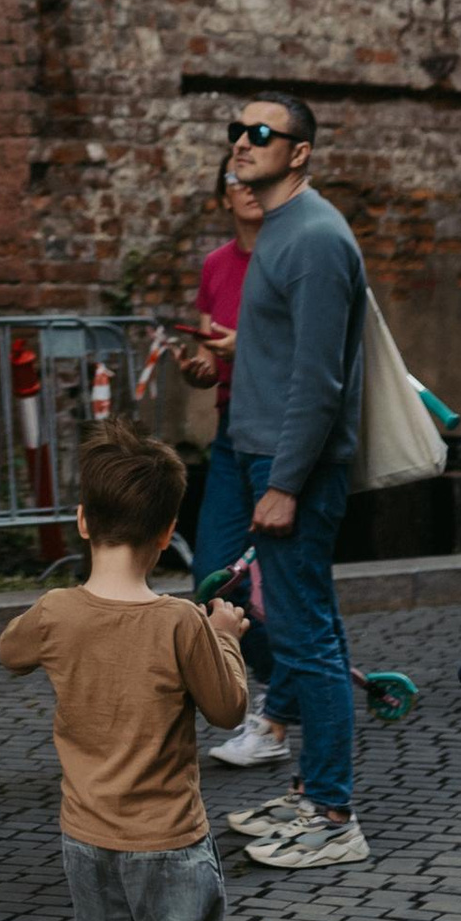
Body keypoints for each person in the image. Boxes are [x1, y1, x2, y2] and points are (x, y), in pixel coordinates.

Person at [0, 421, 250, 921]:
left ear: (82, 520)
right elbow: (229, 709)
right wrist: (226, 636)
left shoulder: (54, 611)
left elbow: (9, 650)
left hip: (86, 840)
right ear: (169, 532)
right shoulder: (178, 623)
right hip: (170, 841)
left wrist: (59, 625)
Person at [193, 91, 370, 873]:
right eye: (236, 131)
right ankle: (309, 794)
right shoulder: (281, 232)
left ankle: (333, 812)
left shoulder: (318, 238)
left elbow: (319, 380)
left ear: (299, 151)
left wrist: (287, 481)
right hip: (250, 449)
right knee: (267, 614)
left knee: (309, 636)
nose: (242, 142)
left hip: (288, 463)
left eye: (260, 132)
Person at [177, 173, 270, 769]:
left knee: (281, 578)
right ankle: (253, 685)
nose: (250, 187)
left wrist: (249, 348)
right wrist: (201, 368)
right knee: (213, 571)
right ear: (223, 196)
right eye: (237, 179)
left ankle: (279, 708)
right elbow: (213, 352)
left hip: (279, 431)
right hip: (233, 428)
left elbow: (306, 349)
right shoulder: (216, 265)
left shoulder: (292, 258)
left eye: (258, 176)